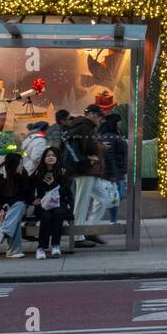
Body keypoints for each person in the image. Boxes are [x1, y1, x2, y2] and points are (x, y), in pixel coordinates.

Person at [65, 105, 107, 247]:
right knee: (82, 203)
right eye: (99, 116)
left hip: (87, 170)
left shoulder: (82, 126)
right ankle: (78, 236)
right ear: (92, 115)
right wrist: (99, 147)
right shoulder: (85, 127)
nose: (100, 119)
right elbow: (88, 148)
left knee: (103, 198)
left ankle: (88, 229)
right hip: (85, 169)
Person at [30, 146, 74, 259]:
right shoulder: (38, 172)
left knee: (58, 213)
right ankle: (41, 248)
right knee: (46, 216)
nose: (51, 158)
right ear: (44, 158)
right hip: (43, 205)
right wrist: (32, 199)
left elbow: (66, 191)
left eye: (53, 155)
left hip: (60, 203)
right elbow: (27, 187)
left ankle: (56, 245)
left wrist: (54, 183)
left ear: (57, 158)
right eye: (48, 155)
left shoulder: (63, 172)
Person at [0, 152, 31, 258]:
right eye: (20, 164)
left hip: (17, 207)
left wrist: (11, 204)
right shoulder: (0, 176)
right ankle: (13, 251)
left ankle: (4, 232)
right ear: (12, 165)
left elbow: (26, 195)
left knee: (19, 206)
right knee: (15, 219)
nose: (22, 166)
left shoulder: (23, 174)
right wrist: (1, 208)